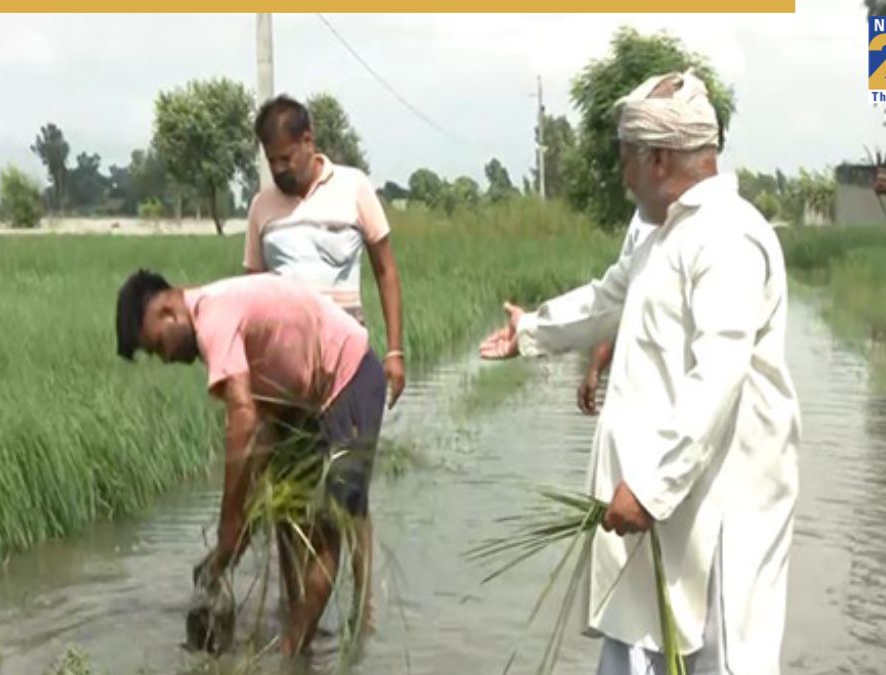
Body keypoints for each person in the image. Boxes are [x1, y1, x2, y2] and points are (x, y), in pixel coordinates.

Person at [479, 70, 801, 675]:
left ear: (657, 158)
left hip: (719, 508)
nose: (623, 173)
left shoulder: (728, 238)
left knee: (724, 657)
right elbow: (606, 300)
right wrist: (529, 332)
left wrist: (650, 489)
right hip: (658, 503)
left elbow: (718, 379)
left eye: (627, 157)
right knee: (639, 644)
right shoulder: (666, 239)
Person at [115, 270, 386, 656]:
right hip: (304, 401)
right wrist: (240, 526)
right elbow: (262, 429)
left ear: (167, 308)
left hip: (351, 377)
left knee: (329, 525)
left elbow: (242, 419)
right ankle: (300, 638)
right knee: (287, 513)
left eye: (159, 346)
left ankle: (297, 653)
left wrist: (229, 523)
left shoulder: (214, 318)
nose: (167, 358)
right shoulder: (220, 316)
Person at [245, 94, 406, 621]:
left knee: (348, 493)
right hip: (286, 381)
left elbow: (386, 269)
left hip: (347, 371)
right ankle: (295, 601)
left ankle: (363, 604)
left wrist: (396, 351)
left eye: (285, 158)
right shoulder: (262, 208)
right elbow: (252, 295)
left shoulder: (354, 189)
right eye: (270, 161)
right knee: (287, 496)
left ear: (309, 142)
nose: (278, 169)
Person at [577, 214, 656, 416]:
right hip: (638, 382)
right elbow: (616, 300)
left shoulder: (727, 223)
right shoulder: (643, 220)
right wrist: (595, 369)